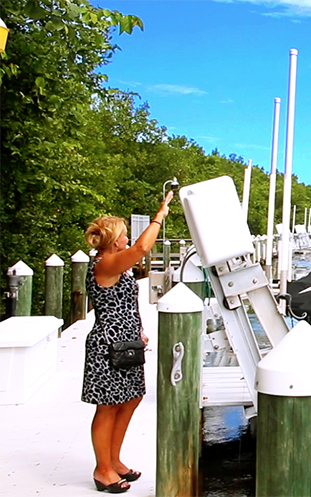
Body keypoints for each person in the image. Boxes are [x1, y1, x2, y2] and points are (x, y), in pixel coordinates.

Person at [82, 191, 173, 493]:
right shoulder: (106, 264)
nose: (126, 239)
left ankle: (115, 459)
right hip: (107, 344)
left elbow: (126, 303)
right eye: (122, 235)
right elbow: (143, 247)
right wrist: (160, 214)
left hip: (128, 341)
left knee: (131, 398)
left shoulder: (116, 266)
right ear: (114, 240)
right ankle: (102, 469)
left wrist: (139, 329)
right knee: (107, 406)